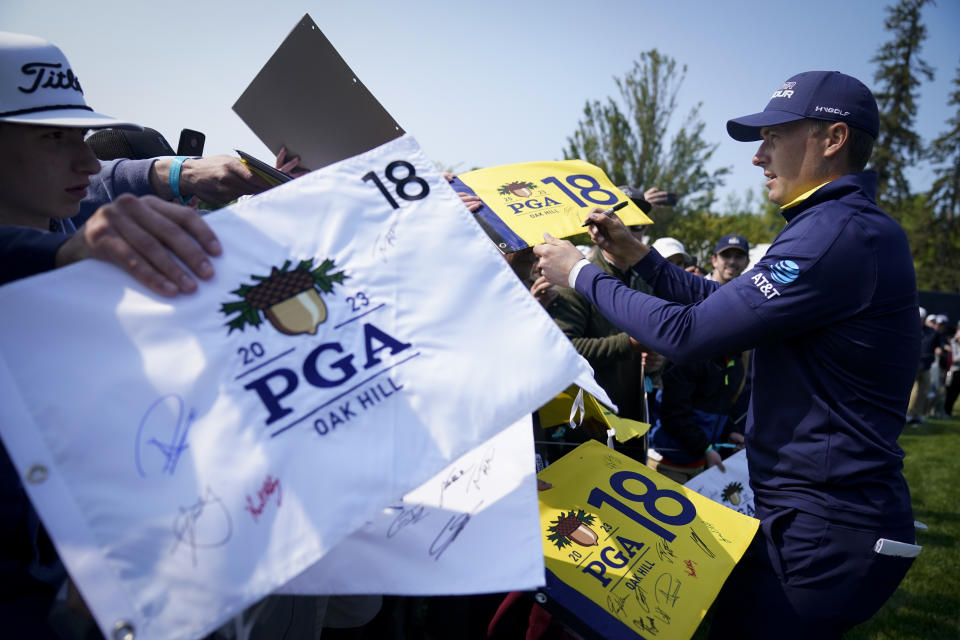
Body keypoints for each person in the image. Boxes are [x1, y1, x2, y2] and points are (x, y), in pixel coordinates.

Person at [534, 70, 919, 638]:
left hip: (822, 523)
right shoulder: (838, 226)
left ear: (833, 139)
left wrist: (582, 273)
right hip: (817, 515)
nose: (759, 157)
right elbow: (725, 306)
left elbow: (688, 334)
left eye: (775, 137)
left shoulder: (835, 232)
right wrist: (641, 260)